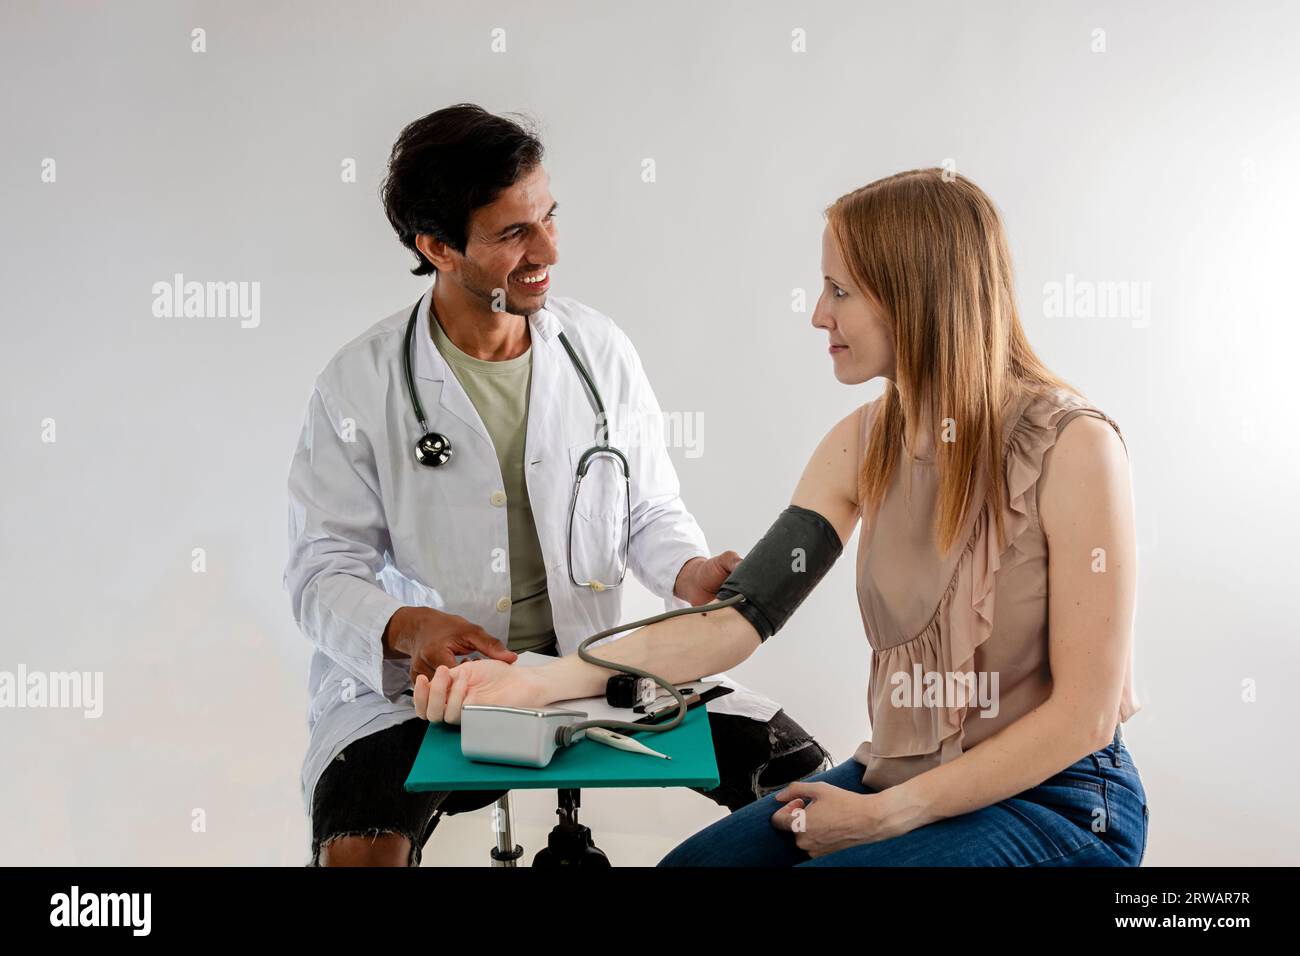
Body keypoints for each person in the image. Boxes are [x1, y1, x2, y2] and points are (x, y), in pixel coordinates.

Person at [417, 168, 1149, 866]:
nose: (818, 313)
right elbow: (735, 621)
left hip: (1058, 802)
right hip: (896, 776)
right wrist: (536, 684)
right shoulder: (862, 442)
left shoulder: (1073, 447)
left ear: (918, 296)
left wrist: (885, 818)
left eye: (840, 290)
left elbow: (1085, 716)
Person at [282, 104, 831, 867]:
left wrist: (690, 571)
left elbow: (647, 511)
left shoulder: (598, 351)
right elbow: (320, 572)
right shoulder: (357, 384)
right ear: (438, 246)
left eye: (548, 219)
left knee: (814, 799)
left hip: (602, 669)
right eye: (513, 234)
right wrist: (410, 628)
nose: (547, 251)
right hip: (425, 694)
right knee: (358, 856)